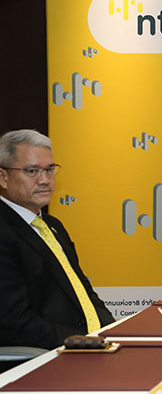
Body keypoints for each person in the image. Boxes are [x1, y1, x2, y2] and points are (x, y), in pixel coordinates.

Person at [0, 129, 114, 350]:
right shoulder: (4, 231)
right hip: (44, 355)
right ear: (3, 177)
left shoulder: (53, 225)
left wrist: (114, 331)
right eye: (32, 171)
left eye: (49, 169)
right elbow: (13, 322)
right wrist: (86, 342)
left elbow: (82, 291)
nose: (45, 180)